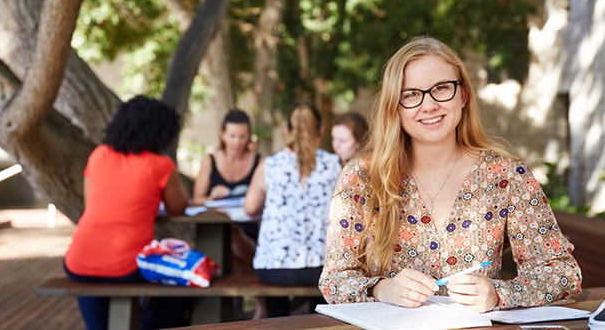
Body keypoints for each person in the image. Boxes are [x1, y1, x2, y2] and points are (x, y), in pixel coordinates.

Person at [319, 36, 582, 312]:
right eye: (411, 94)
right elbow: (334, 280)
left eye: (442, 88)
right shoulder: (361, 178)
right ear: (394, 106)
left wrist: (498, 294)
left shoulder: (505, 175)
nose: (429, 105)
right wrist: (382, 288)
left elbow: (563, 275)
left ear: (463, 94)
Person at [63, 96, 190, 330]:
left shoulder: (99, 154)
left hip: (77, 261)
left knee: (93, 272)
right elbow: (178, 207)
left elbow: (92, 202)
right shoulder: (160, 164)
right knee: (183, 279)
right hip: (126, 267)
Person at [244, 101, 342, 317]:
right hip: (321, 266)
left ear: (287, 131)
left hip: (274, 268)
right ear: (321, 131)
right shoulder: (334, 164)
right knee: (324, 287)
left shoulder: (269, 165)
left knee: (278, 307)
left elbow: (250, 208)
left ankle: (279, 323)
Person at [192, 109, 266, 319]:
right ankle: (260, 302)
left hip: (249, 228)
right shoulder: (210, 160)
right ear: (223, 135)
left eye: (242, 136)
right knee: (232, 242)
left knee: (235, 243)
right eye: (232, 136)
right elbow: (196, 198)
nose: (237, 142)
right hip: (214, 230)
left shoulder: (259, 160)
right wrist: (211, 195)